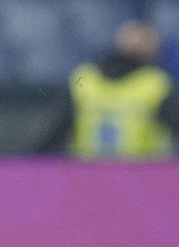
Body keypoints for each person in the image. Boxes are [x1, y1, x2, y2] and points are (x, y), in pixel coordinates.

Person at [38, 20, 179, 158]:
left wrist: (30, 161)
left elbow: (53, 132)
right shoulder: (157, 83)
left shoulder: (85, 77)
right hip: (142, 170)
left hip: (88, 169)